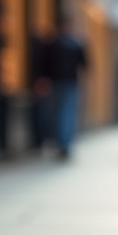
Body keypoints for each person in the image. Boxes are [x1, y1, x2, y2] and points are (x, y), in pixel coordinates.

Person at [36, 15, 87, 159]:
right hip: (63, 83)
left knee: (60, 114)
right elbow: (84, 65)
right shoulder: (74, 44)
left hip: (61, 83)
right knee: (65, 114)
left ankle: (62, 143)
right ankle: (64, 143)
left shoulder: (52, 43)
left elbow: (42, 64)